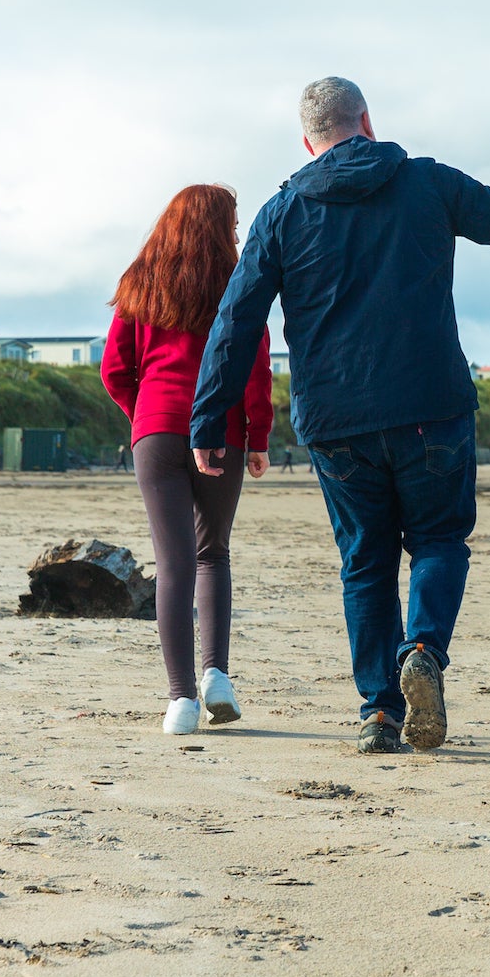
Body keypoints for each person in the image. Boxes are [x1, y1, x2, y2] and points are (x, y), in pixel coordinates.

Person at [189, 77, 490, 755]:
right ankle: (425, 652)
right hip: (429, 406)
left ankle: (379, 710)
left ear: (307, 140)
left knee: (365, 561)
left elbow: (238, 318)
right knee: (438, 540)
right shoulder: (426, 181)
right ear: (367, 121)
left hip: (336, 417)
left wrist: (208, 419)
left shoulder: (283, 209)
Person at [101, 184, 274, 737]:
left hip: (155, 431)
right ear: (221, 226)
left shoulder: (139, 284)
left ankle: (179, 701)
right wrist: (259, 434)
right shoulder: (236, 283)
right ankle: (216, 675)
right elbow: (254, 364)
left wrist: (144, 418)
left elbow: (114, 369)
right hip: (221, 430)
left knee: (172, 564)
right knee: (211, 555)